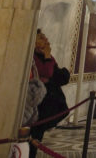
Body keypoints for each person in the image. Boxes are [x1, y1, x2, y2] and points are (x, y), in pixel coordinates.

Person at [31, 30, 70, 158]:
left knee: (38, 133)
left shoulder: (47, 56)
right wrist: (47, 56)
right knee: (33, 132)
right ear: (34, 42)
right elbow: (47, 72)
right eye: (42, 38)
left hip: (49, 99)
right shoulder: (33, 56)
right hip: (37, 101)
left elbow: (54, 72)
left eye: (45, 37)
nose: (46, 40)